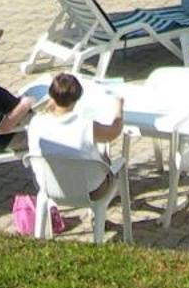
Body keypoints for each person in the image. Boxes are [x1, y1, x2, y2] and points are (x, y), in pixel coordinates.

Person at [27, 72, 126, 200]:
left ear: (51, 95)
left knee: (95, 155)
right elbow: (114, 132)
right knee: (103, 158)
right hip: (90, 190)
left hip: (48, 186)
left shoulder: (36, 122)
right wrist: (119, 109)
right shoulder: (86, 125)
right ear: (77, 98)